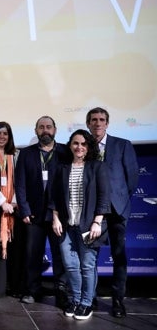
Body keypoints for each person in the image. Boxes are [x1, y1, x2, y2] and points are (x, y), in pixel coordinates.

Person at [51, 129, 110, 320]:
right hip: (67, 225)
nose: (79, 147)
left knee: (87, 265)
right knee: (70, 265)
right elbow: (55, 197)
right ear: (70, 145)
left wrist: (97, 222)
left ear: (89, 147)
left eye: (83, 144)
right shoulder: (62, 168)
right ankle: (75, 300)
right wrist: (56, 218)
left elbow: (103, 197)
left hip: (89, 226)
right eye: (76, 143)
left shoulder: (97, 167)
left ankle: (86, 303)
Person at [86, 107, 138, 317]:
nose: (98, 123)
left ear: (107, 123)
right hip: (91, 211)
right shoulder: (82, 145)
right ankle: (91, 298)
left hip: (117, 210)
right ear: (88, 124)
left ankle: (118, 301)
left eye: (101, 120)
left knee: (118, 256)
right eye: (94, 120)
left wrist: (120, 201)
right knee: (90, 257)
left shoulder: (122, 145)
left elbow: (132, 178)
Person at [15, 116, 67, 306]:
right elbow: (19, 184)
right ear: (35, 130)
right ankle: (31, 290)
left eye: (48, 127)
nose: (45, 130)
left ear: (55, 129)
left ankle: (61, 291)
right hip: (34, 214)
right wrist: (25, 210)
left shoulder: (65, 152)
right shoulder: (26, 153)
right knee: (32, 255)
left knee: (60, 255)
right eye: (41, 127)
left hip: (58, 216)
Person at [0, 121, 22, 299]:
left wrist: (13, 203)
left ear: (10, 136)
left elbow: (20, 182)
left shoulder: (16, 155)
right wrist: (2, 203)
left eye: (5, 133)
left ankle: (15, 288)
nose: (2, 136)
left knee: (15, 252)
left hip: (14, 211)